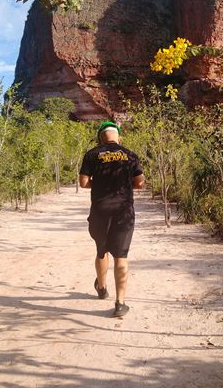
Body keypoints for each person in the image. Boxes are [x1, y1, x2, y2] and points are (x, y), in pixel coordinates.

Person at [79, 121, 145, 317]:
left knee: (101, 251)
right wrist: (123, 185)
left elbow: (83, 182)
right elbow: (140, 182)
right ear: (118, 137)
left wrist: (100, 184)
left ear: (101, 137)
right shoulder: (130, 154)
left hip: (100, 210)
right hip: (123, 211)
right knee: (121, 256)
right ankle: (120, 303)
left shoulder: (92, 154)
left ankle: (101, 287)